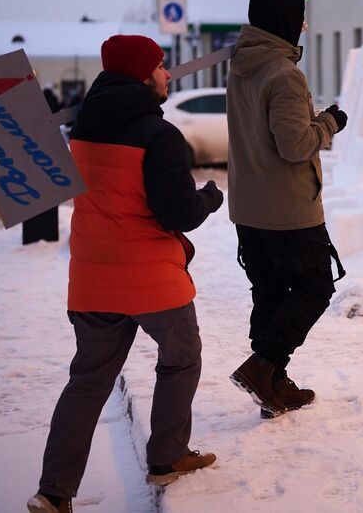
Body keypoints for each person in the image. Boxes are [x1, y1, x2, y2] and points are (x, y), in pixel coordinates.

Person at [28, 35, 224, 513]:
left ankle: (53, 492)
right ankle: (167, 455)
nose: (167, 73)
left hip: (93, 279)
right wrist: (210, 198)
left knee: (87, 383)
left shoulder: (82, 128)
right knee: (181, 357)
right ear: (142, 74)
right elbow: (176, 212)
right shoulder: (160, 137)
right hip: (152, 278)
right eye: (160, 66)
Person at [226, 0, 348, 419]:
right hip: (289, 210)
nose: (302, 27)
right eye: (300, 19)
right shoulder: (284, 74)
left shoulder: (240, 65)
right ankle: (264, 368)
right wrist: (329, 122)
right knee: (315, 288)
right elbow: (295, 145)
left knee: (271, 293)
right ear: (285, 22)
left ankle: (272, 385)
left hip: (248, 206)